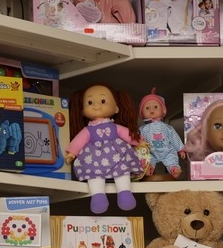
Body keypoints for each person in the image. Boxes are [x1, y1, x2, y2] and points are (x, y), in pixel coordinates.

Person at [67, 84, 142, 214]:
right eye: (90, 102)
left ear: (116, 108)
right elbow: (78, 141)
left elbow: (128, 135)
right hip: (94, 158)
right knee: (93, 173)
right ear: (83, 111)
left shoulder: (115, 127)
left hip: (117, 155)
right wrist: (72, 152)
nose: (96, 105)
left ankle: (125, 193)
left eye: (103, 101)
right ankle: (97, 196)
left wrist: (140, 142)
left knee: (122, 169)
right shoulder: (88, 130)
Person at [139, 88, 186, 179]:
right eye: (147, 108)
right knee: (146, 159)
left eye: (156, 107)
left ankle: (174, 169)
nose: (151, 110)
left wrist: (181, 149)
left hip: (167, 150)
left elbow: (174, 137)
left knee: (171, 158)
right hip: (151, 152)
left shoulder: (167, 127)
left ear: (163, 110)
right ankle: (148, 168)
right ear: (142, 113)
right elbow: (138, 140)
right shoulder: (142, 129)